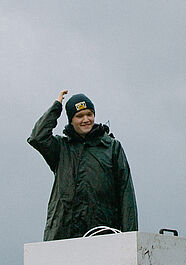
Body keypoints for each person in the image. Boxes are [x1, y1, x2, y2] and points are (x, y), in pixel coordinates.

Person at [28, 90, 138, 241]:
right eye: (79, 116)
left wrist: (130, 239)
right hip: (63, 234)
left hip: (102, 235)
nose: (86, 119)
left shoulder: (111, 147)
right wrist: (56, 107)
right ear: (71, 120)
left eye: (89, 114)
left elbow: (126, 194)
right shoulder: (61, 148)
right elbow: (37, 137)